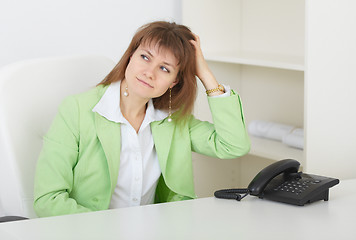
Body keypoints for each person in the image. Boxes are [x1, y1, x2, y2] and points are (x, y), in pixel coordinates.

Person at [33, 21, 251, 217]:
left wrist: (203, 73)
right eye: (145, 57)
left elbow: (233, 145)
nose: (150, 72)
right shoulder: (78, 110)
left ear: (174, 81)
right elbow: (48, 200)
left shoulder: (173, 120)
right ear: (130, 56)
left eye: (165, 68)